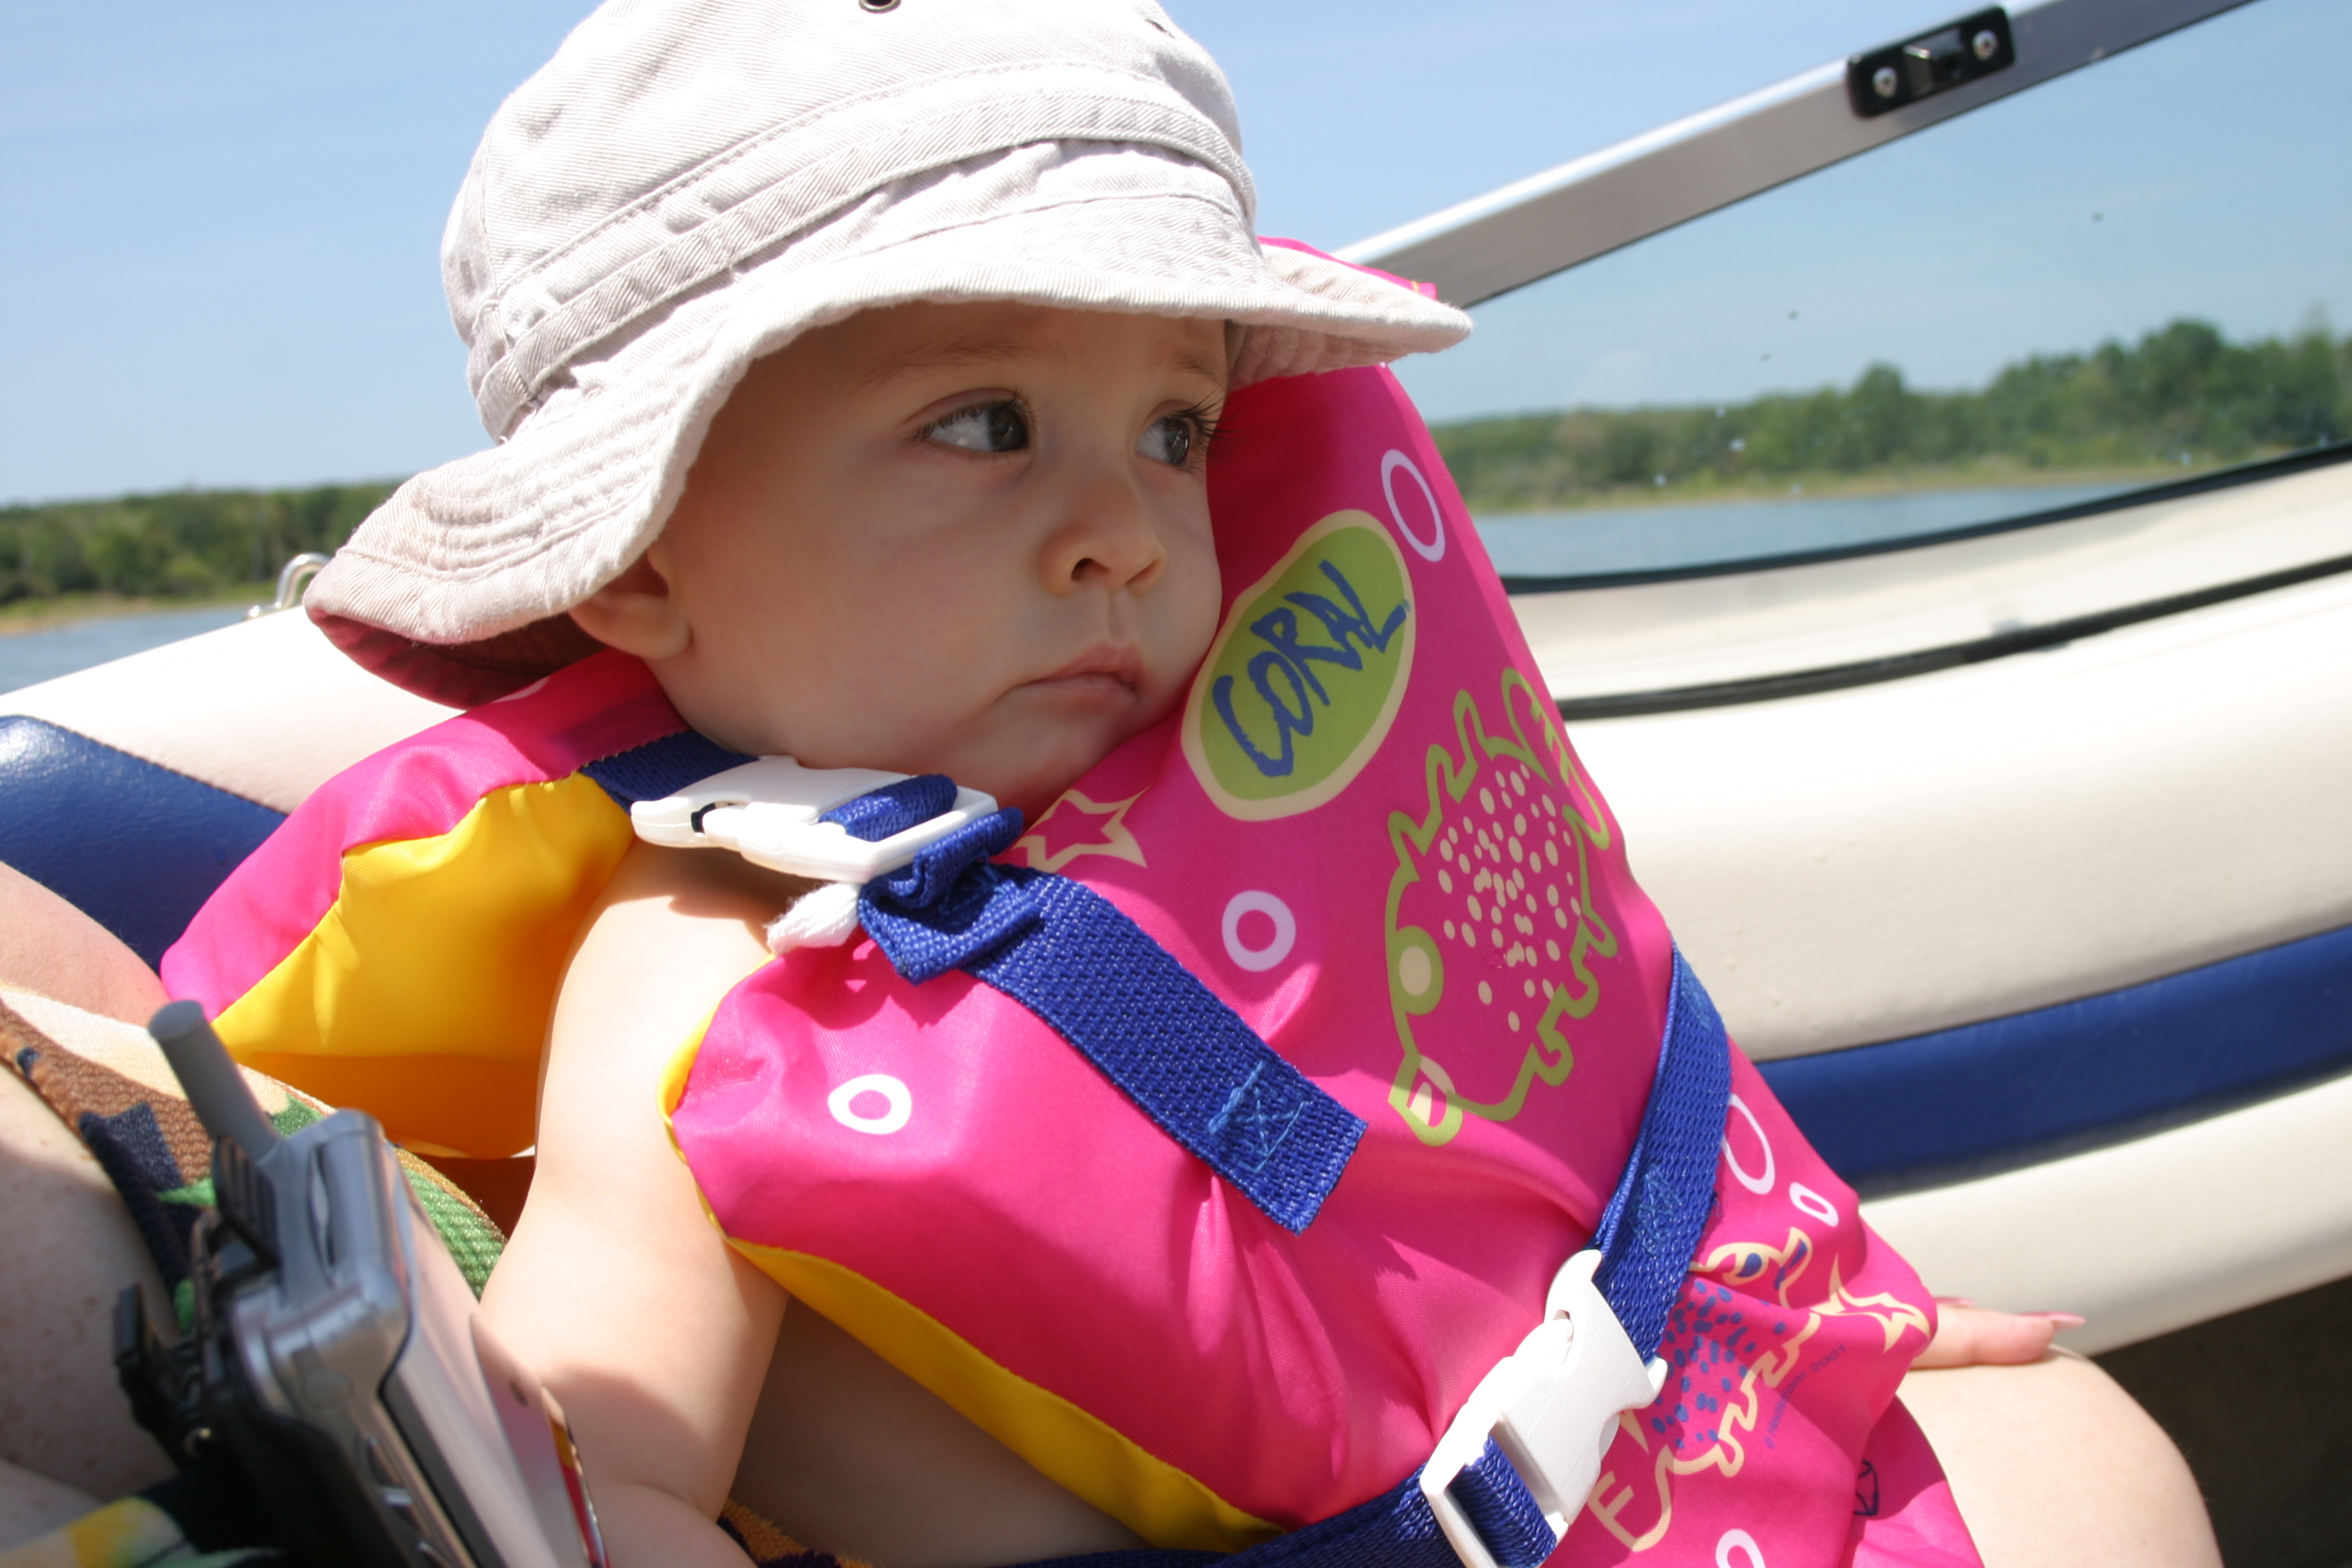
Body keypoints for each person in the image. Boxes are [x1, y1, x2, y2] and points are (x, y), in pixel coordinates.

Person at [5, 3, 2217, 1566]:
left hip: (1673, 1467)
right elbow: (614, 1462)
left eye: (1171, 427)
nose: (1129, 529)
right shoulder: (691, 974)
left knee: (2089, 1452)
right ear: (643, 558)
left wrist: (1781, 1320)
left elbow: (1543, 1136)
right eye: (982, 425)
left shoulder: (1258, 803)